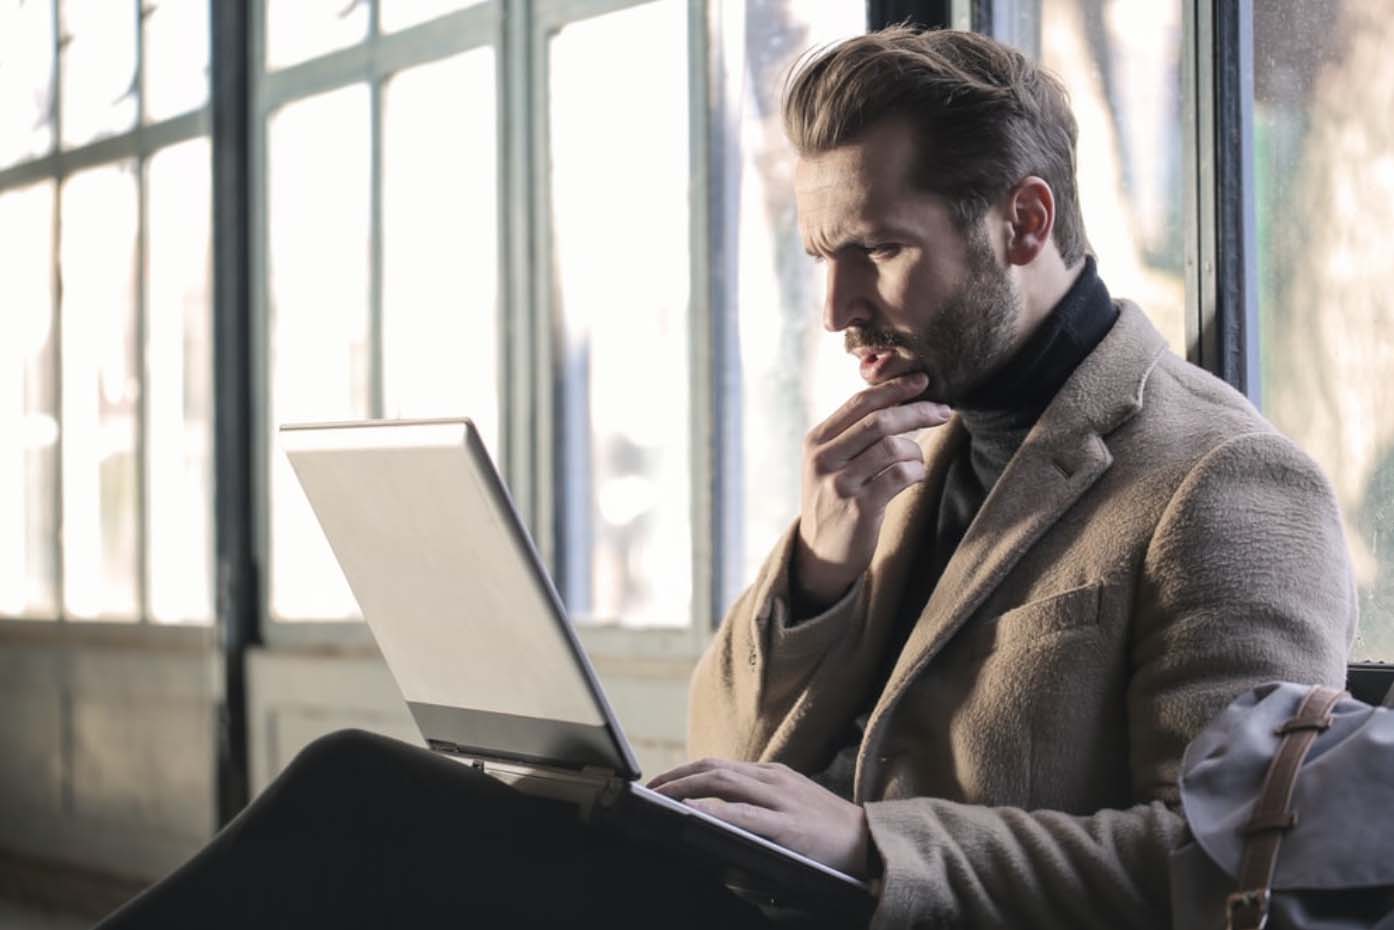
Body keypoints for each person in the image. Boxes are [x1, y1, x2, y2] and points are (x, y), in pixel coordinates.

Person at [95, 26, 1354, 930]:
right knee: (367, 791)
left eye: (875, 251)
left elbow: (1229, 868)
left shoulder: (1224, 481)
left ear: (1023, 225)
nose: (835, 309)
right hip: (747, 898)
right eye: (820, 254)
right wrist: (816, 566)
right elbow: (725, 749)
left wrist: (872, 848)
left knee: (366, 815)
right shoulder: (904, 441)